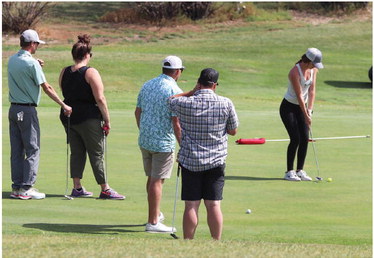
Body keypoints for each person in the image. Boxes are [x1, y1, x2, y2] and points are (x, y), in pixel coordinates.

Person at [168, 68, 239, 240]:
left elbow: (170, 100)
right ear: (215, 85)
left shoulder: (185, 103)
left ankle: (188, 243)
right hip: (216, 161)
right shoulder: (226, 103)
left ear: (199, 82)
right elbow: (233, 131)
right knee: (213, 204)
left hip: (190, 160)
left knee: (191, 205)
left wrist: (192, 91)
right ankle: (215, 243)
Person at [8, 29, 72, 200]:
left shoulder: (12, 59)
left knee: (17, 150)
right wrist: (63, 104)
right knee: (32, 148)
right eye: (37, 44)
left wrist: (36, 64)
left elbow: (25, 68)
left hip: (13, 110)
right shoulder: (32, 64)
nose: (38, 46)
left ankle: (17, 187)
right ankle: (27, 187)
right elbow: (47, 87)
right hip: (27, 110)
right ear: (32, 44)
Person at [59, 34, 124, 200]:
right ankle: (105, 188)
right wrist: (107, 120)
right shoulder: (90, 72)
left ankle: (77, 187)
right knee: (96, 153)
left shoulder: (64, 71)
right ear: (87, 55)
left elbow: (65, 91)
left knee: (77, 152)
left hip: (70, 117)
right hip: (88, 117)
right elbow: (100, 98)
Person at [135, 56, 184, 233]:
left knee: (152, 178)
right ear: (178, 72)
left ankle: (155, 213)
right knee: (157, 180)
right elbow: (176, 122)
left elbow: (137, 111)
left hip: (145, 140)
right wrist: (183, 145)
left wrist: (145, 130)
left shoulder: (147, 84)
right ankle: (153, 222)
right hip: (163, 142)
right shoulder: (174, 89)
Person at [279, 48, 324, 181]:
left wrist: (309, 110)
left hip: (302, 107)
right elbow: (299, 95)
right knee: (295, 138)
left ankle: (300, 170)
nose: (315, 66)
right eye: (314, 63)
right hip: (288, 108)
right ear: (308, 61)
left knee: (304, 138)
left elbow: (312, 91)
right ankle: (289, 172)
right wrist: (306, 115)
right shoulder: (294, 72)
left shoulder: (313, 69)